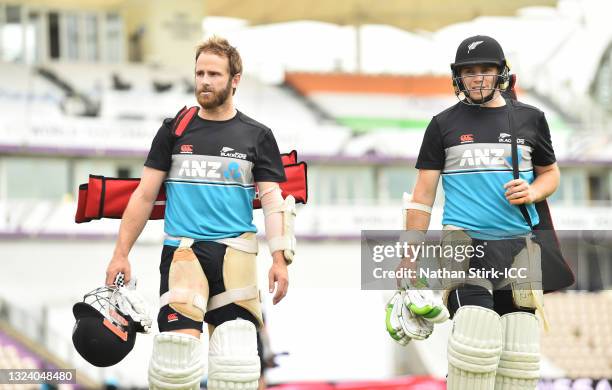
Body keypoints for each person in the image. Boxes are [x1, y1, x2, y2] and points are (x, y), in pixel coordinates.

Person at [104, 36, 295, 390]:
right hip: (182, 253)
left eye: (214, 74)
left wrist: (280, 259)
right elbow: (144, 196)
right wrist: (120, 254)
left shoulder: (258, 136)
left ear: (235, 79)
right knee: (174, 365)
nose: (204, 81)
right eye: (200, 73)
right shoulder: (174, 130)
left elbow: (272, 200)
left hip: (234, 256)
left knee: (235, 368)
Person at [402, 35, 560, 390]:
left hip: (520, 246)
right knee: (475, 335)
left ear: (501, 73)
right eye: (468, 71)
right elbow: (422, 197)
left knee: (518, 357)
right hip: (464, 243)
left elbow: (550, 173)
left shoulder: (531, 120)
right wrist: (408, 255)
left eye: (485, 70)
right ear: (458, 77)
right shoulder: (443, 125)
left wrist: (533, 190)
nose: (477, 78)